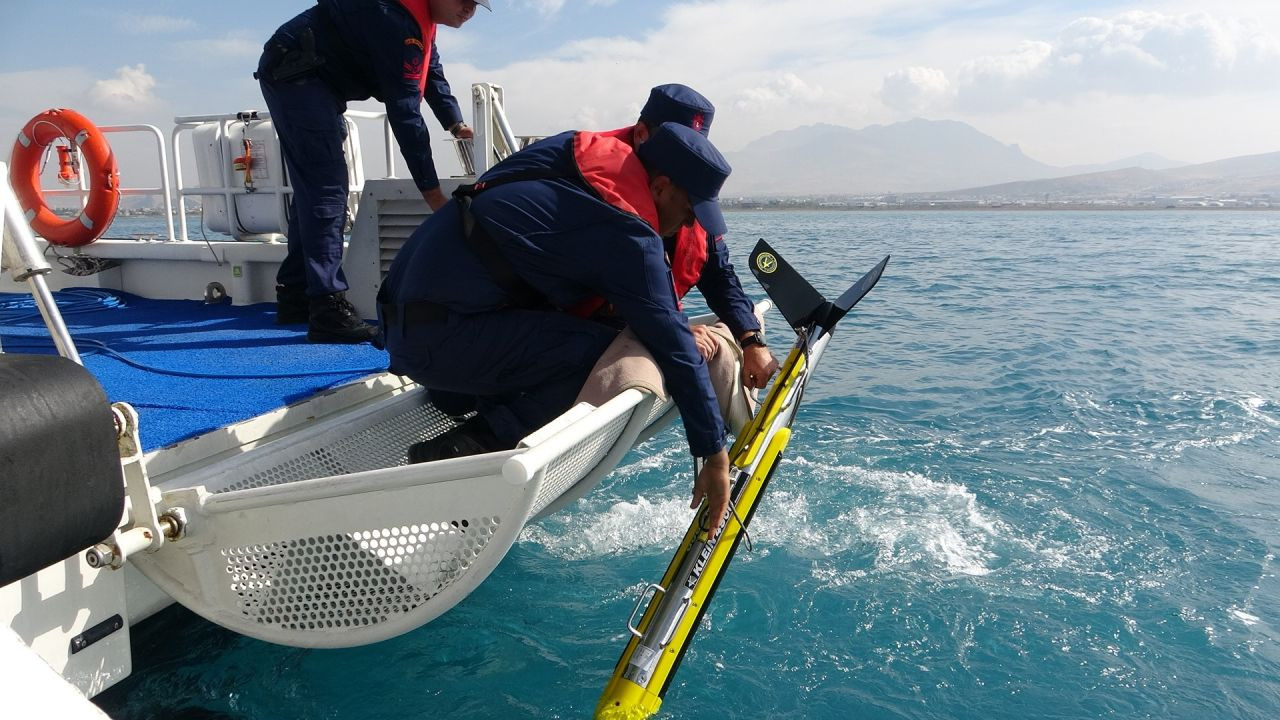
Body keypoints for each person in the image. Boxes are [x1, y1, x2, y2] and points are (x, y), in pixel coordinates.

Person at [381, 122, 739, 530]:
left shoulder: (566, 158)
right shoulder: (626, 230)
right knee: (603, 357)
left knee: (590, 332)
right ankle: (464, 452)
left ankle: (456, 397)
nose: (686, 226)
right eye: (689, 212)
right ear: (659, 188)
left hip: (410, 322)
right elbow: (670, 342)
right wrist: (714, 453)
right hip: (438, 339)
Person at [255, 0, 490, 343]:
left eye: (476, 5)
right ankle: (327, 310)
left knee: (316, 187)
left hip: (312, 79)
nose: (469, 10)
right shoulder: (393, 20)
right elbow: (406, 114)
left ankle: (295, 294)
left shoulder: (419, 24)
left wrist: (455, 124)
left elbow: (431, 73)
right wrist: (432, 193)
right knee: (326, 187)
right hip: (296, 73)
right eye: (463, 0)